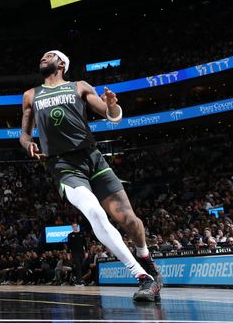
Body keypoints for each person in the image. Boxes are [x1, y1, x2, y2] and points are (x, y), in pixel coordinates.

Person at [19, 50, 162, 302]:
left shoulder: (79, 86)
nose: (43, 57)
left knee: (129, 220)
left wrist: (112, 104)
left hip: (93, 159)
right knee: (94, 212)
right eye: (41, 55)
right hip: (63, 165)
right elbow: (24, 134)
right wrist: (28, 144)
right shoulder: (31, 95)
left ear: (62, 63)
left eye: (49, 55)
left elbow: (112, 116)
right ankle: (142, 277)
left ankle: (145, 257)